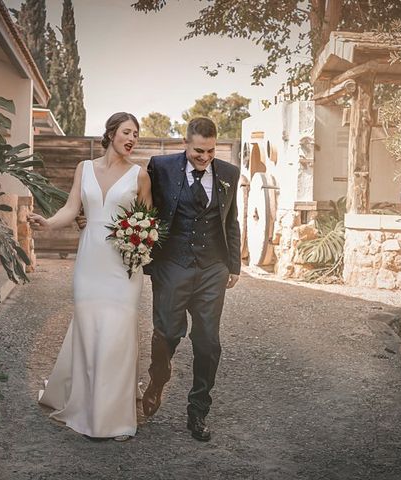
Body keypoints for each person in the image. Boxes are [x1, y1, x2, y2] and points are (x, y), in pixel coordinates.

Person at [28, 112, 152, 441]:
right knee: (90, 330)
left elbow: (147, 220)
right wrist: (49, 223)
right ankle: (86, 406)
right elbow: (72, 209)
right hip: (90, 262)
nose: (132, 139)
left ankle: (114, 417)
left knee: (118, 334)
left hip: (124, 266)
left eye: (136, 135)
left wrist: (139, 245)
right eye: (127, 132)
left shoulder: (140, 175)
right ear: (111, 133)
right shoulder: (84, 168)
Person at [141, 117, 241, 442]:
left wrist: (234, 266)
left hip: (213, 268)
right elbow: (142, 206)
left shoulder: (229, 173)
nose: (205, 157)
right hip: (172, 263)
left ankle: (198, 411)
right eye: (199, 150)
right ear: (186, 143)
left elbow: (231, 220)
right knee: (167, 333)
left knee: (208, 343)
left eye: (211, 151)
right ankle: (158, 378)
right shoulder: (161, 167)